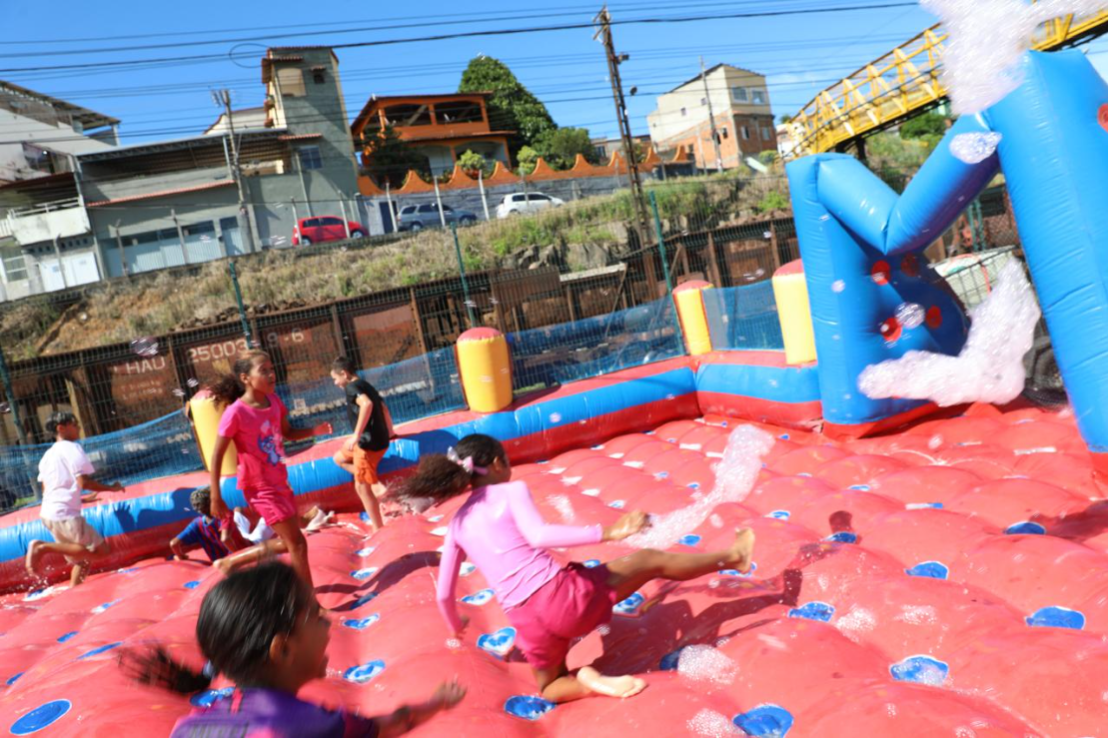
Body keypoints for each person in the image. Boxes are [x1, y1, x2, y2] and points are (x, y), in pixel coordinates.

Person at [399, 434, 755, 704]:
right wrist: (609, 531)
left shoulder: (457, 524)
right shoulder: (510, 491)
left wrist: (455, 625)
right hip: (564, 599)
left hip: (526, 623)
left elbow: (444, 592)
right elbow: (539, 535)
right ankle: (734, 557)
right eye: (506, 461)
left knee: (550, 686)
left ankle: (586, 681)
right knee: (649, 561)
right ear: (494, 464)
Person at [120, 562, 466, 738]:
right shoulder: (308, 724)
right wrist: (437, 702)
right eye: (316, 617)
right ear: (282, 650)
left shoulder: (189, 726)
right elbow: (393, 723)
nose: (329, 622)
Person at [207, 350, 331, 592]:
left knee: (289, 542)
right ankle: (307, 603)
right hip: (259, 487)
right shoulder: (236, 413)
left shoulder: (274, 402)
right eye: (263, 370)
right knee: (298, 544)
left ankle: (230, 562)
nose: (271, 374)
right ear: (245, 377)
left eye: (271, 369)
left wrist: (314, 431)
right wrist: (215, 496)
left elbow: (288, 432)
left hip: (279, 482)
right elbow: (217, 455)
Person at [25, 411, 125, 587]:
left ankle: (74, 590)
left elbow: (48, 487)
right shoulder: (72, 448)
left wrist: (81, 500)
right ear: (61, 428)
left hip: (49, 513)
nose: (78, 427)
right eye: (75, 424)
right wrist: (112, 488)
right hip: (65, 514)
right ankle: (42, 547)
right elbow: (83, 481)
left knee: (82, 559)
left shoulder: (48, 455)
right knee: (101, 551)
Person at [330, 357, 394, 532]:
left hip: (366, 443)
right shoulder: (366, 384)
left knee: (361, 487)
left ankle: (377, 527)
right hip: (379, 440)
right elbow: (383, 408)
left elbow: (367, 404)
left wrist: (356, 435)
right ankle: (373, 482)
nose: (335, 383)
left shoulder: (352, 387)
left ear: (344, 373)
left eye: (335, 378)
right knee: (339, 459)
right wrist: (390, 431)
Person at [212, 505, 335, 577]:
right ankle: (307, 518)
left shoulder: (199, 523)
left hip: (247, 538)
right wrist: (238, 552)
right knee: (272, 520)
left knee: (240, 512)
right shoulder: (225, 517)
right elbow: (225, 538)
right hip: (253, 543)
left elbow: (237, 510)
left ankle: (308, 518)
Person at [171, 487, 231, 564]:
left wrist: (181, 556)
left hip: (218, 563)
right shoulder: (225, 517)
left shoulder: (196, 524)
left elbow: (173, 544)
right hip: (234, 558)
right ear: (213, 502)